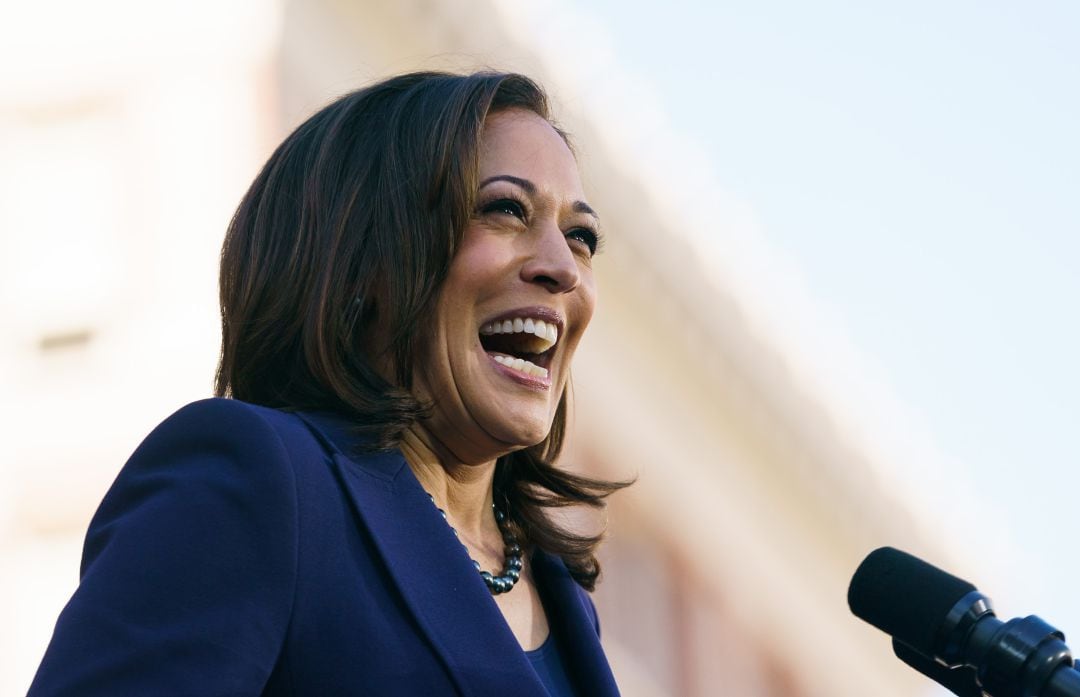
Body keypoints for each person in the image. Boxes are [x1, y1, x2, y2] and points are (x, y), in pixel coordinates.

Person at [28, 71, 629, 696]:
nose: (563, 267)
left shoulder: (561, 590)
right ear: (364, 258)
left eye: (580, 237)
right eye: (505, 210)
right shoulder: (255, 478)